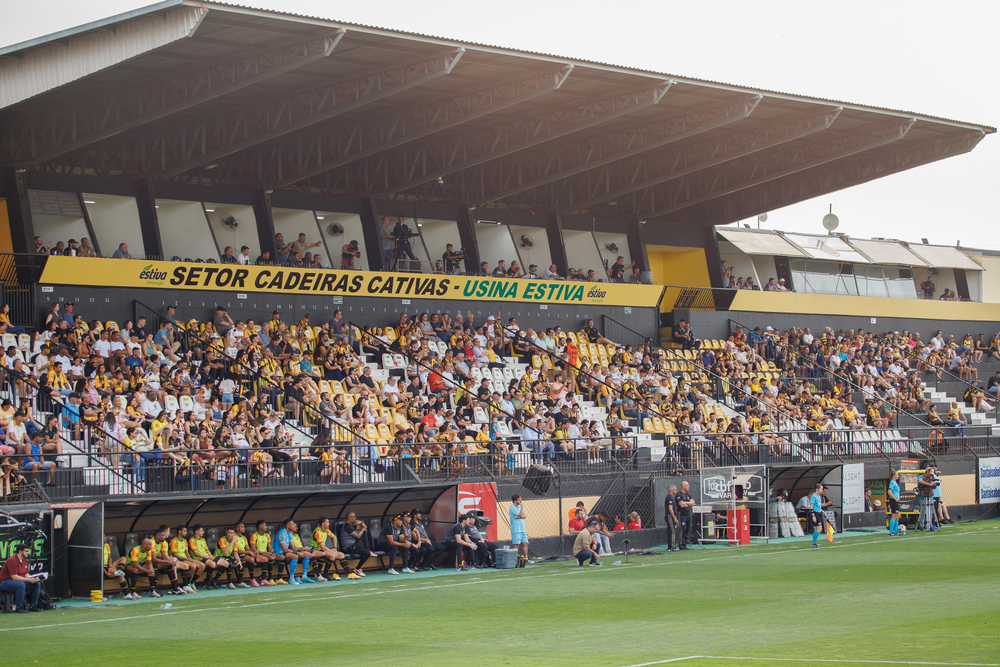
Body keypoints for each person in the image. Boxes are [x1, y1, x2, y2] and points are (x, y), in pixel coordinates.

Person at [0, 543, 42, 612]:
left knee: (36, 584)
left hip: (17, 581)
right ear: (20, 552)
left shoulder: (25, 560)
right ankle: (19, 607)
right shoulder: (12, 560)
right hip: (5, 582)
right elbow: (14, 577)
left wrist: (32, 579)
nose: (28, 553)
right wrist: (28, 580)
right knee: (21, 585)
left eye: (28, 551)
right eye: (26, 551)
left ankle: (33, 606)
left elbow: (26, 574)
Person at [275, 518, 312, 584]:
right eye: (292, 524)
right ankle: (291, 578)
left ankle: (304, 576)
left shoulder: (289, 534)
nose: (294, 525)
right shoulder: (282, 533)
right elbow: (285, 549)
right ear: (287, 525)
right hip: (280, 553)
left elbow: (294, 547)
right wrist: (298, 553)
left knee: (306, 554)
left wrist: (301, 551)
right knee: (295, 556)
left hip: (286, 553)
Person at [339, 512, 371, 577]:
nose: (355, 518)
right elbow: (358, 536)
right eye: (354, 517)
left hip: (354, 544)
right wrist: (362, 528)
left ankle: (368, 550)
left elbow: (365, 527)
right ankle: (357, 568)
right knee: (367, 553)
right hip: (348, 547)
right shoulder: (347, 526)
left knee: (364, 532)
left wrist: (361, 524)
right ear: (349, 517)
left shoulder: (351, 525)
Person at [103, 534, 129, 599]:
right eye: (103, 537)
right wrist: (106, 573)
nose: (105, 538)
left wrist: (110, 564)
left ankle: (119, 570)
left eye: (105, 537)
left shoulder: (106, 545)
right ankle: (126, 594)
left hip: (108, 565)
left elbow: (109, 557)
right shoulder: (97, 548)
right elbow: (98, 563)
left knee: (123, 558)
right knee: (121, 575)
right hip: (102, 567)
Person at [509, 494, 528, 567]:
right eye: (519, 499)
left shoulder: (519, 507)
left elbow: (524, 515)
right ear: (515, 501)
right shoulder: (512, 508)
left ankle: (526, 558)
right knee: (516, 544)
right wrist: (520, 515)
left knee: (526, 543)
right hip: (516, 529)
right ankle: (513, 560)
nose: (520, 501)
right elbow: (520, 515)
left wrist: (519, 516)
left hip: (522, 528)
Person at [675, 481, 695, 549]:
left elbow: (693, 503)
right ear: (683, 486)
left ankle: (685, 543)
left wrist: (686, 503)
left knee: (687, 529)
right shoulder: (679, 495)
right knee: (682, 529)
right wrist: (688, 503)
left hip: (688, 514)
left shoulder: (688, 495)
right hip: (682, 514)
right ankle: (681, 544)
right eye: (687, 485)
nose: (688, 486)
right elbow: (681, 505)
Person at [664, 484, 680, 552]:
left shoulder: (671, 497)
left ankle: (671, 546)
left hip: (670, 516)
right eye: (675, 489)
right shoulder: (669, 497)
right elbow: (670, 509)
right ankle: (672, 546)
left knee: (671, 530)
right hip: (670, 516)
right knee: (672, 531)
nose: (676, 491)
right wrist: (675, 518)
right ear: (671, 490)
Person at [887, 471, 901, 536]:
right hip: (893, 500)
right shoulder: (892, 483)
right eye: (897, 475)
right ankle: (890, 532)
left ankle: (895, 531)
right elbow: (889, 492)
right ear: (893, 475)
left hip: (896, 501)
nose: (898, 476)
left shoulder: (895, 483)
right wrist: (895, 498)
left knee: (897, 515)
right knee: (894, 515)